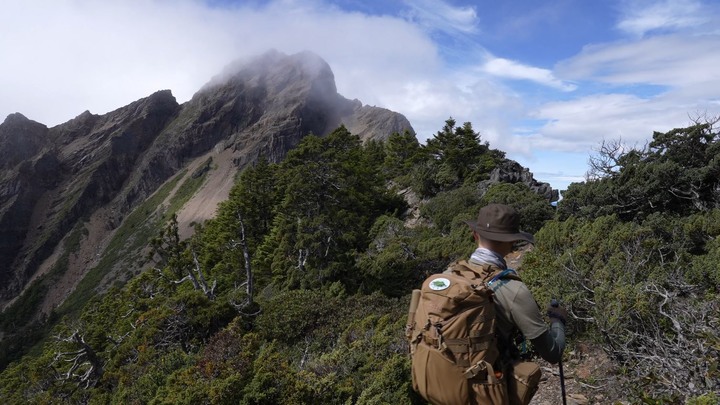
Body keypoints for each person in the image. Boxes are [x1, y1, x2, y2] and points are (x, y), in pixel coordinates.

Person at [459, 203, 566, 368]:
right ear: (513, 242)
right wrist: (557, 321)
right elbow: (553, 353)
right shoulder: (513, 289)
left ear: (475, 235)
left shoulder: (447, 276)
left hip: (439, 388)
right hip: (487, 389)